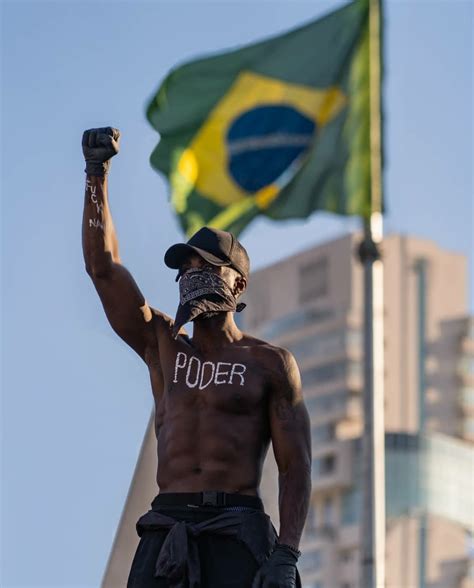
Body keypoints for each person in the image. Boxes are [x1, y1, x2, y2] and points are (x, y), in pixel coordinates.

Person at [82, 127, 312, 588]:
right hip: (168, 526)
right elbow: (103, 269)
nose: (193, 274)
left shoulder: (269, 364)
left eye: (206, 266)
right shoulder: (162, 342)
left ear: (238, 284)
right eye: (186, 267)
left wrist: (285, 552)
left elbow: (296, 464)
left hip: (237, 528)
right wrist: (96, 176)